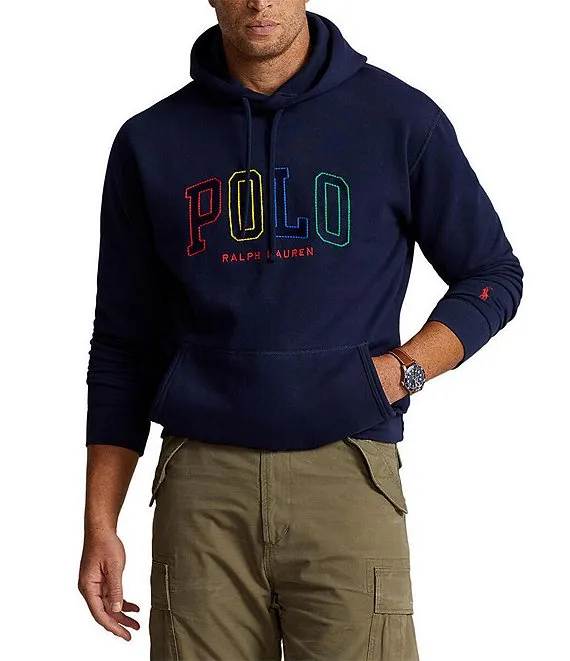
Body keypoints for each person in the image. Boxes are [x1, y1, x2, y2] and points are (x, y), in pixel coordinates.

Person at [77, 1, 524, 659]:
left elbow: (492, 275)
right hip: (202, 486)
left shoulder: (399, 119)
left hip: (347, 469)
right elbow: (122, 342)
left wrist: (405, 370)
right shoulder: (151, 140)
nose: (259, 2)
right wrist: (100, 522)